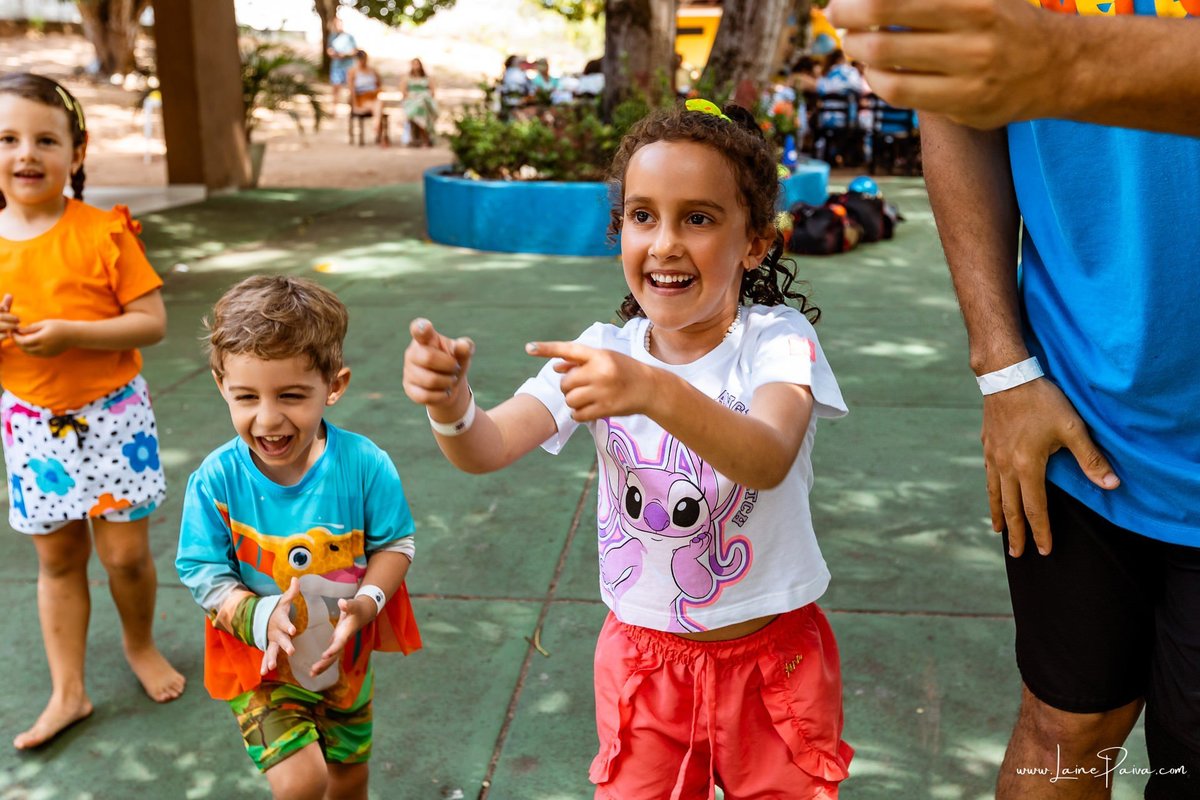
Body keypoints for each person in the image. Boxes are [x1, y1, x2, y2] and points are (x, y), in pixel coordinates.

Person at [403, 100, 853, 798]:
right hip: (645, 666)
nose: (665, 243)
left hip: (774, 665)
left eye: (698, 219)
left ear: (756, 242)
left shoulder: (778, 342)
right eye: (643, 216)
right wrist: (450, 404)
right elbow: (486, 448)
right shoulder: (602, 352)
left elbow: (766, 456)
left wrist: (651, 391)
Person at [828, 1, 1200, 797]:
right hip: (1075, 405)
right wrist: (1004, 369)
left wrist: (1063, 57)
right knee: (1064, 728)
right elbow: (958, 102)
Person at [176, 275, 421, 800]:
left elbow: (396, 545)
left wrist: (368, 601)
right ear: (221, 385)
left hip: (342, 662)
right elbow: (201, 569)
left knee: (350, 776)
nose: (268, 418)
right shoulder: (217, 479)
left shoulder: (364, 465)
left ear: (334, 385)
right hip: (259, 665)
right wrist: (260, 616)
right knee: (302, 780)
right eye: (246, 396)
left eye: (291, 395)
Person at [0, 73, 185, 750]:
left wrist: (75, 331)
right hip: (30, 424)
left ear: (76, 154)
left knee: (127, 555)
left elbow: (152, 322)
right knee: (57, 561)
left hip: (114, 418)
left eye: (46, 139)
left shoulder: (103, 232)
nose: (26, 153)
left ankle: (139, 645)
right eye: (8, 138)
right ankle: (68, 690)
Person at [346, 50, 385, 145]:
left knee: (378, 103)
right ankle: (378, 130)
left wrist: (375, 91)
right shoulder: (353, 71)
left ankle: (376, 127)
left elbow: (379, 85)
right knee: (377, 106)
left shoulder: (373, 70)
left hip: (373, 96)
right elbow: (352, 90)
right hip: (361, 98)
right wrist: (354, 106)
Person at [402, 58, 437, 148]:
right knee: (419, 107)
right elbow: (404, 91)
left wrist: (424, 96)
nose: (416, 66)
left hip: (425, 101)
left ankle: (425, 138)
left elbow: (433, 92)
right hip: (412, 101)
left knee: (422, 105)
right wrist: (413, 97)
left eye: (417, 64)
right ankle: (424, 138)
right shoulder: (407, 77)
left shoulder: (427, 78)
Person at [325, 16, 357, 113]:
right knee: (335, 88)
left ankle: (353, 108)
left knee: (351, 88)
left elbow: (355, 51)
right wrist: (333, 54)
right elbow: (329, 50)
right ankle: (334, 109)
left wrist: (345, 55)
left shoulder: (349, 37)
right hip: (336, 66)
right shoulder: (332, 37)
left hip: (348, 66)